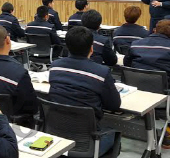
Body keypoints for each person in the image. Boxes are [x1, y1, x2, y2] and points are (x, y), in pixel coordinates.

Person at [49, 26, 121, 156]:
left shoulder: (54, 67)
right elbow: (114, 105)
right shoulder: (101, 72)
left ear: (67, 46)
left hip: (56, 136)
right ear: (91, 48)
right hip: (88, 142)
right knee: (115, 135)